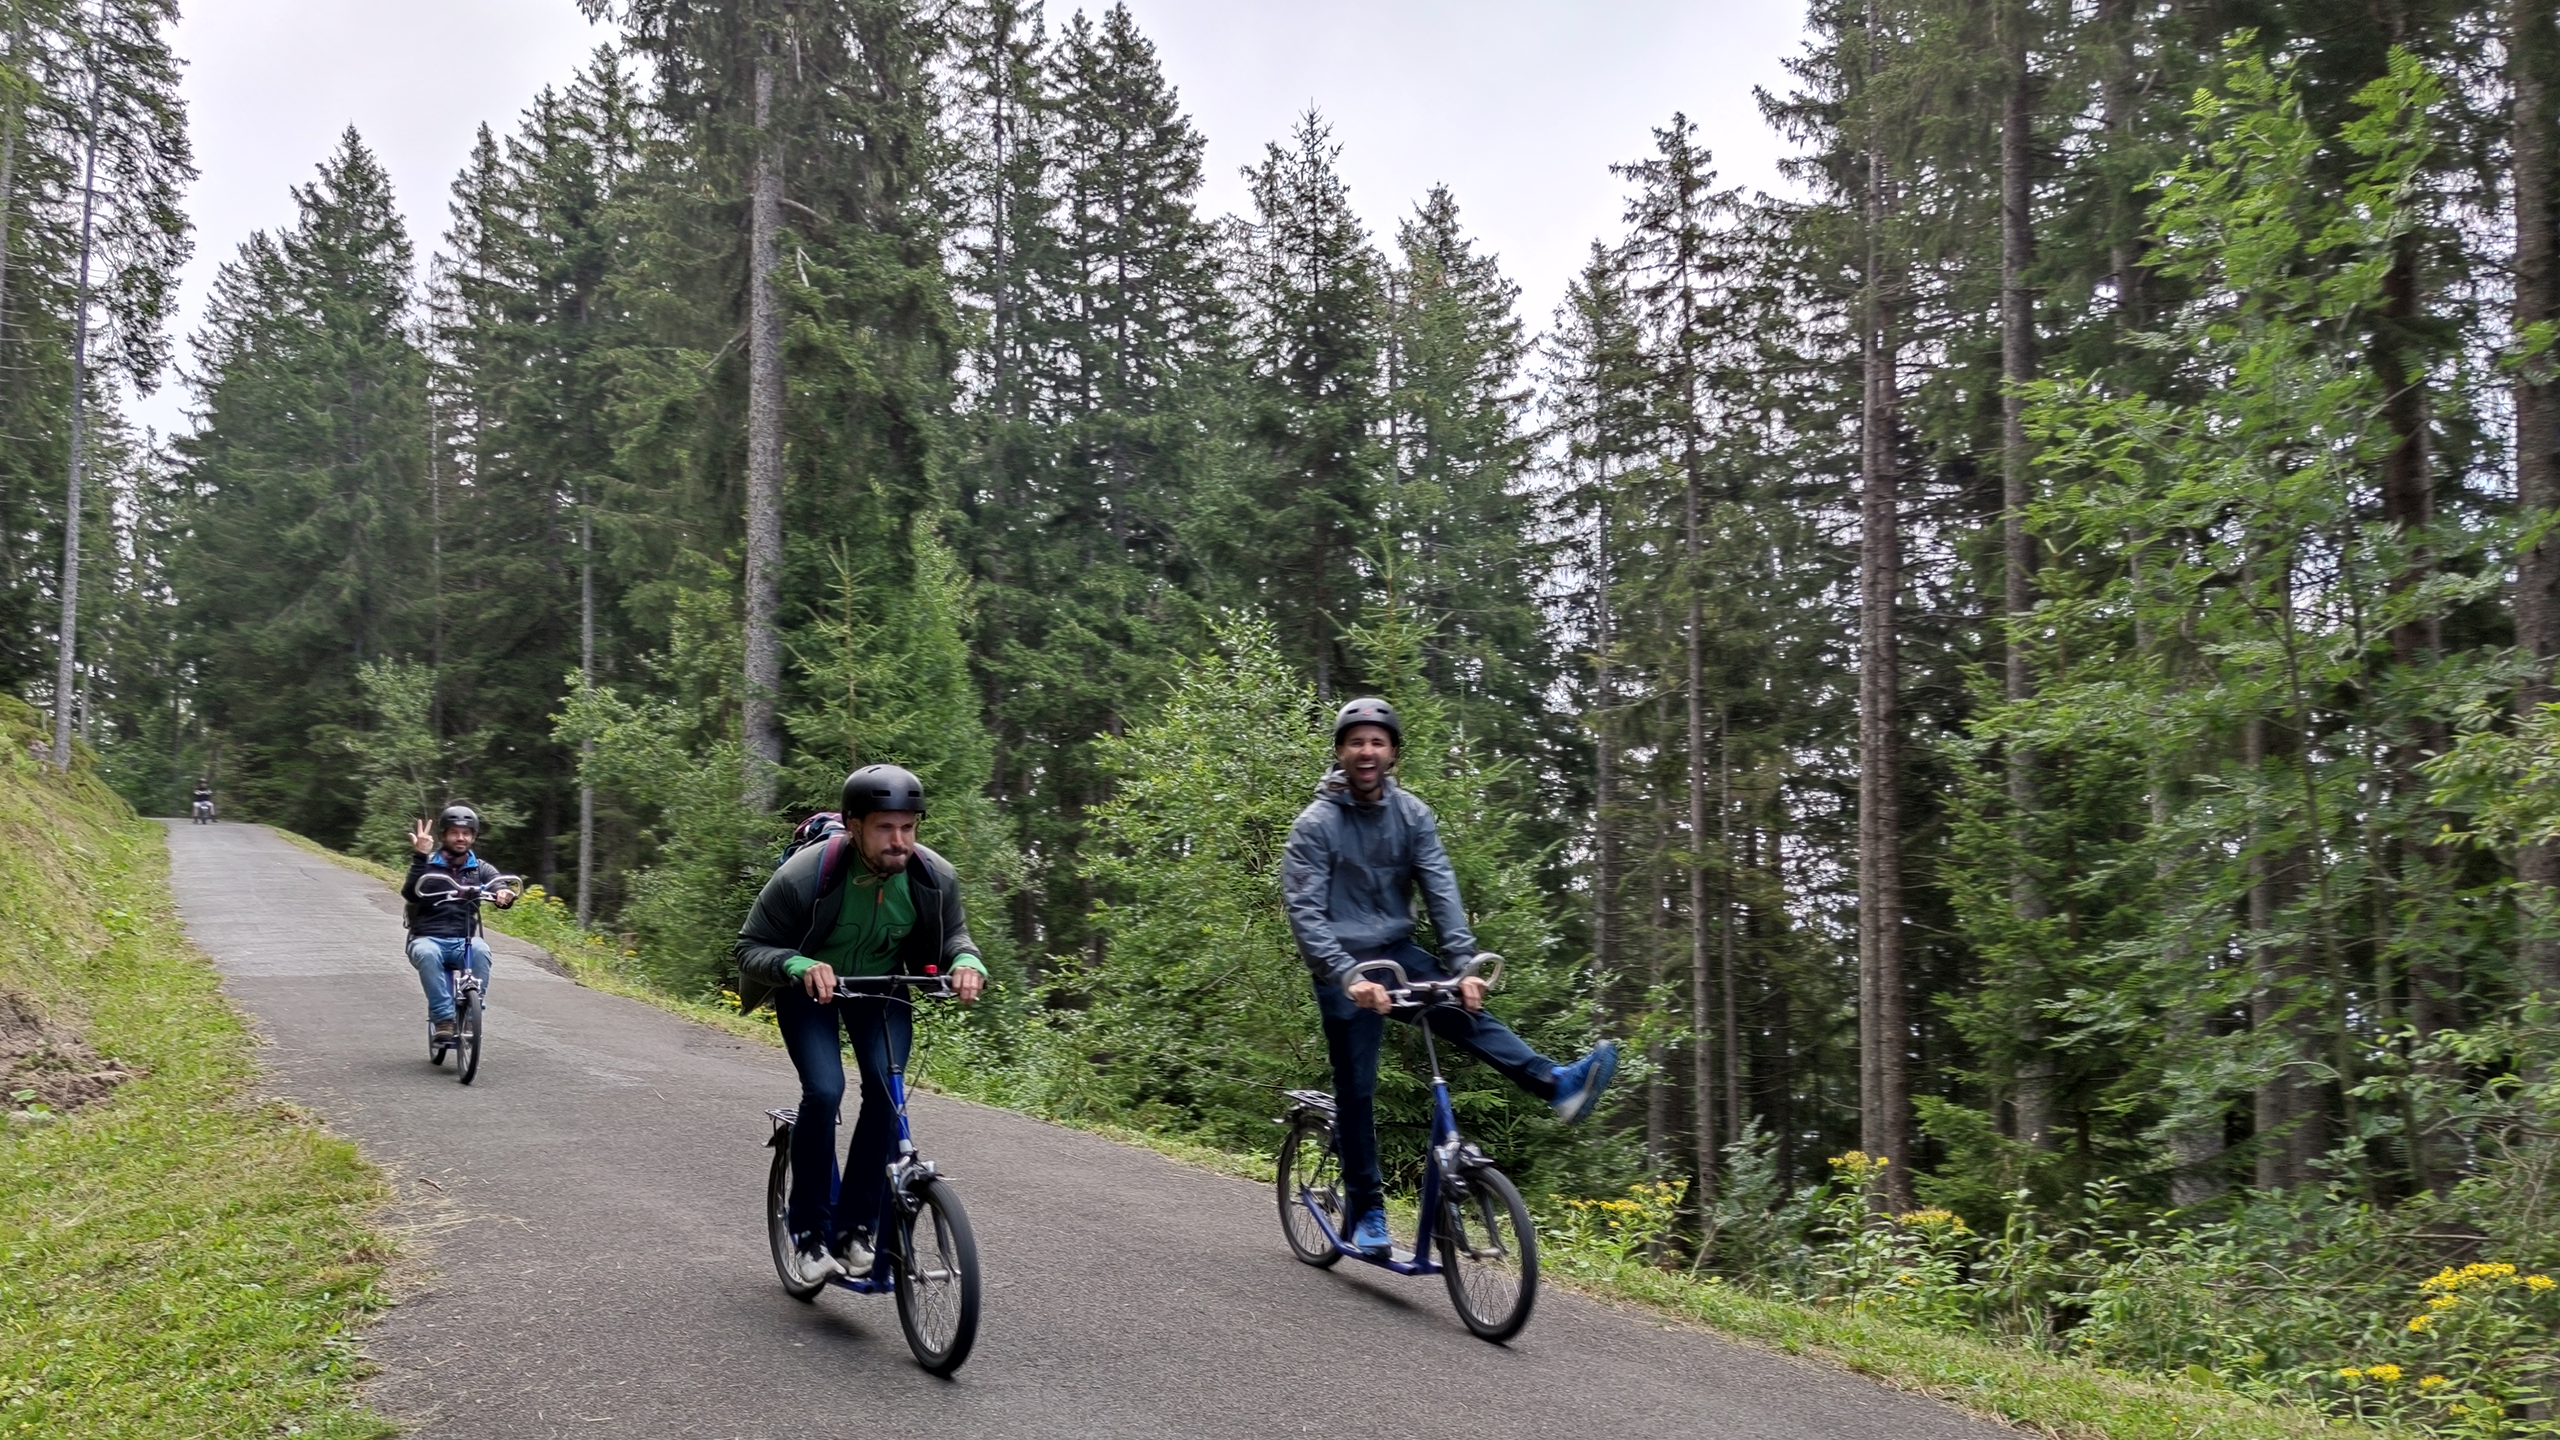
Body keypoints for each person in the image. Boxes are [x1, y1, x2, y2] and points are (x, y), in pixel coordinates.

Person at [1283, 697, 1618, 1259]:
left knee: (1463, 1011)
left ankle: (1556, 1085)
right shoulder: (1315, 825)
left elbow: (1441, 889)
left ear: (1393, 753)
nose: (1367, 751)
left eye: (1377, 742)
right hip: (1342, 964)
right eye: (1356, 742)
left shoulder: (1412, 814)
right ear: (1340, 751)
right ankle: (1367, 1210)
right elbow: (1305, 913)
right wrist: (1346, 977)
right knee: (1357, 1088)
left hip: (1395, 952)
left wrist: (1463, 968)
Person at [735, 764, 988, 1286]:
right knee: (825, 1090)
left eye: (908, 827)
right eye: (884, 828)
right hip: (809, 989)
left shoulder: (933, 876)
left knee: (886, 1094)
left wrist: (967, 962)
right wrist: (798, 964)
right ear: (854, 826)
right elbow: (749, 947)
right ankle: (809, 1236)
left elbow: (955, 937)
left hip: (881, 989)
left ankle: (854, 1232)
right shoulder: (805, 875)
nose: (900, 841)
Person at [400, 805, 517, 1040]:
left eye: (466, 833)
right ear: (444, 835)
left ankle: (472, 1018)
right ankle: (443, 1020)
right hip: (427, 938)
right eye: (454, 832)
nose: (460, 838)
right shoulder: (428, 864)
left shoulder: (479, 868)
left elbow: (497, 883)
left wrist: (503, 893)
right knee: (427, 953)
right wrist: (420, 855)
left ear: (473, 836)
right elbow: (410, 893)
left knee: (481, 950)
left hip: (464, 940)